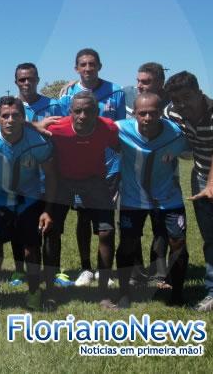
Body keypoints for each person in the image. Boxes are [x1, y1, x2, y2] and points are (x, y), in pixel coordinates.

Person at [0, 96, 55, 308]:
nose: (10, 120)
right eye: (5, 116)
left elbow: (52, 176)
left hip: (28, 200)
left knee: (31, 247)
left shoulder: (37, 140)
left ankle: (35, 293)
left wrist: (47, 210)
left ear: (24, 118)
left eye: (16, 115)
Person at [45, 91, 119, 309]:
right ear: (70, 112)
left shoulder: (108, 127)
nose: (83, 115)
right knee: (51, 231)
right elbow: (31, 129)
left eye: (89, 111)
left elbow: (119, 147)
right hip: (63, 181)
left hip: (95, 181)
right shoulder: (57, 128)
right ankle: (50, 292)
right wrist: (37, 124)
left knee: (106, 232)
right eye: (78, 111)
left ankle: (104, 293)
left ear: (97, 112)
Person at [115, 93, 189, 307]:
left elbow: (198, 145)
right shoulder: (120, 129)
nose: (148, 117)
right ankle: (124, 293)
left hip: (168, 199)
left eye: (153, 113)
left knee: (178, 244)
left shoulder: (175, 134)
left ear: (161, 114)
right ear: (134, 114)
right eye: (142, 113)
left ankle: (176, 296)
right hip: (132, 199)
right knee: (128, 245)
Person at [59, 49, 125, 287]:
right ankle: (86, 268)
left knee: (106, 223)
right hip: (81, 169)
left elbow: (120, 130)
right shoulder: (68, 94)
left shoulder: (116, 92)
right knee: (83, 218)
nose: (88, 68)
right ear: (76, 68)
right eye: (83, 65)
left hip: (109, 168)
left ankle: (104, 271)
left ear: (100, 66)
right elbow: (62, 125)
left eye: (92, 64)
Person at [164, 71, 213, 312]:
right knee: (210, 237)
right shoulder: (172, 112)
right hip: (200, 175)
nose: (182, 105)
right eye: (176, 100)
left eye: (187, 97)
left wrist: (211, 185)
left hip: (209, 177)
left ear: (199, 93)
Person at [13, 62, 63, 287]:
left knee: (53, 226)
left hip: (51, 174)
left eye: (30, 79)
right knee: (22, 226)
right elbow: (2, 123)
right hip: (23, 178)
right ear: (16, 82)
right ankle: (20, 271)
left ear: (37, 80)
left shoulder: (54, 105)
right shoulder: (11, 106)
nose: (26, 83)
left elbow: (63, 128)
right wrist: (36, 125)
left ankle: (53, 272)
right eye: (22, 79)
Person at [121, 62, 171, 286]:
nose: (139, 85)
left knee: (160, 225)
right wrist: (73, 85)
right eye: (138, 80)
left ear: (160, 83)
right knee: (132, 227)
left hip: (163, 175)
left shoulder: (171, 103)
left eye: (146, 81)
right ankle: (136, 272)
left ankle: (159, 273)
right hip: (131, 175)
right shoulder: (126, 95)